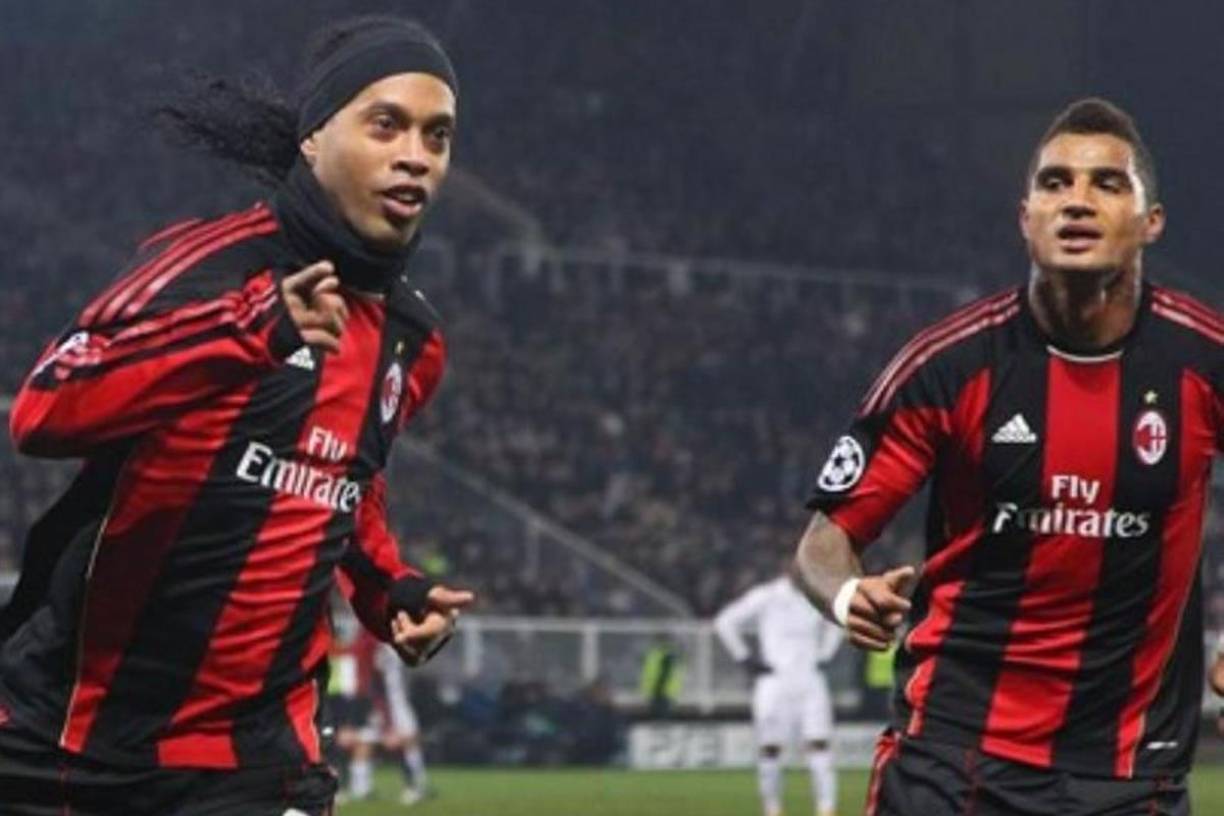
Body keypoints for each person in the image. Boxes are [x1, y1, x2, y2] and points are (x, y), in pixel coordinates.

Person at [0, 15, 474, 816]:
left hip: (257, 762)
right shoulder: (210, 265)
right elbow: (47, 408)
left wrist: (388, 588)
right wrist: (247, 331)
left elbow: (342, 476)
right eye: (386, 124)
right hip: (68, 738)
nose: (415, 156)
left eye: (438, 136)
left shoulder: (413, 342)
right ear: (314, 140)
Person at [792, 97, 1221, 816]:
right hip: (949, 762)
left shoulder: (1203, 363)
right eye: (1055, 183)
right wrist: (845, 595)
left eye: (1106, 184)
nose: (1077, 201)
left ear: (1152, 222)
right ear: (1026, 218)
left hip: (1129, 776)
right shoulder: (948, 366)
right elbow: (824, 540)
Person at [714, 568, 843, 816]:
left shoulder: (818, 598)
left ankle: (826, 809)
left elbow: (838, 623)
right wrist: (744, 658)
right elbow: (725, 622)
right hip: (774, 681)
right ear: (787, 571)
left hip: (810, 680)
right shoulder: (767, 596)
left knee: (820, 745)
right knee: (770, 749)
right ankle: (772, 809)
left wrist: (825, 654)